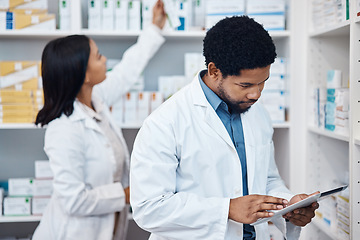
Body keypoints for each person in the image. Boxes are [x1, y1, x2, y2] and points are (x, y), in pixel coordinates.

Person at [130, 16, 319, 240]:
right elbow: (149, 208)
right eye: (245, 85)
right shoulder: (164, 122)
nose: (256, 94)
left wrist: (288, 205)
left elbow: (266, 179)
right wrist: (226, 209)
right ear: (214, 71)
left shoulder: (257, 112)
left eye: (262, 82)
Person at [32, 1, 166, 239]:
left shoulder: (95, 98)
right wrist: (125, 195)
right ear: (83, 73)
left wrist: (154, 28)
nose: (105, 60)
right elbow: (74, 201)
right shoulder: (63, 129)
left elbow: (126, 72)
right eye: (98, 56)